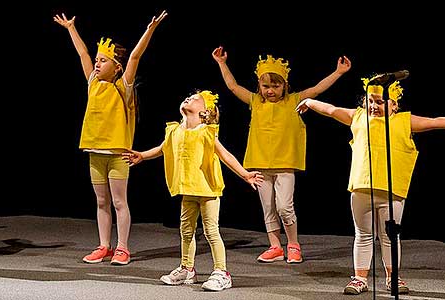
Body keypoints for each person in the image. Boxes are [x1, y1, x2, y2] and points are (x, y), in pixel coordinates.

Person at [295, 76, 445, 294]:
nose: (374, 106)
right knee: (363, 234)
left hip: (392, 192)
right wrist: (309, 101)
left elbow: (435, 121)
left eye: (381, 102)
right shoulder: (357, 117)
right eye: (371, 101)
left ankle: (394, 278)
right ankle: (359, 278)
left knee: (389, 236)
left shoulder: (404, 121)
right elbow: (330, 109)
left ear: (394, 104)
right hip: (361, 189)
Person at [212, 46, 351, 263]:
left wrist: (338, 72)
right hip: (259, 164)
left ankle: (293, 244)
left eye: (275, 86)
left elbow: (315, 90)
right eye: (265, 85)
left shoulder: (294, 101)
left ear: (284, 85)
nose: (270, 90)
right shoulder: (255, 101)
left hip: (285, 163)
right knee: (268, 208)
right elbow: (232, 86)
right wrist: (222, 63)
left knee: (285, 207)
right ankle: (275, 247)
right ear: (258, 85)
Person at [53, 10, 168, 265]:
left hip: (117, 154)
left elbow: (136, 55)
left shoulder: (122, 86)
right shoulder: (93, 82)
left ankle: (122, 247)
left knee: (119, 201)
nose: (97, 63)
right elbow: (82, 53)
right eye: (98, 59)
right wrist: (71, 28)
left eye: (103, 60)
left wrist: (150, 29)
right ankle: (104, 245)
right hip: (95, 152)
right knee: (101, 201)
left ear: (117, 67)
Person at [123, 90, 264, 291]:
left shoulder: (206, 132)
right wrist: (142, 156)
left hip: (207, 190)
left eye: (195, 98)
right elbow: (163, 148)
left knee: (211, 231)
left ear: (205, 111)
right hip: (187, 190)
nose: (189, 97)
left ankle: (221, 272)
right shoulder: (175, 131)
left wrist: (245, 174)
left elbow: (226, 155)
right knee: (186, 231)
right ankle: (187, 269)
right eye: (188, 96)